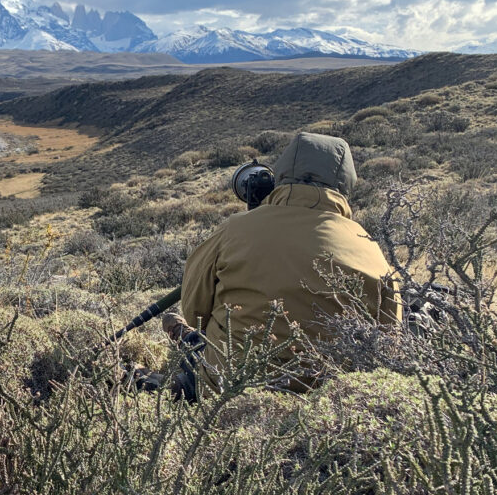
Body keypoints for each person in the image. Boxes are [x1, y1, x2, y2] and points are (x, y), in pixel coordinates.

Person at [164, 132, 401, 398]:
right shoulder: (370, 249)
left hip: (230, 384)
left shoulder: (234, 231)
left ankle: (178, 354)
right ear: (346, 184)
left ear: (282, 174)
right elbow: (390, 340)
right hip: (328, 396)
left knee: (199, 341)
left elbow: (196, 311)